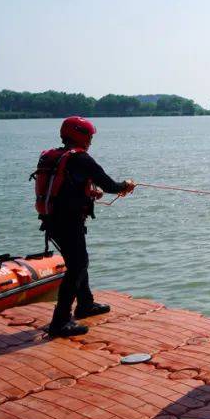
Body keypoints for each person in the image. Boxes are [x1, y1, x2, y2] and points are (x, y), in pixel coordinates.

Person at [32, 116, 134, 337]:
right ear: (80, 135)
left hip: (51, 220)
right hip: (67, 222)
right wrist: (125, 185)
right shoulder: (81, 159)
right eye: (89, 136)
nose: (90, 141)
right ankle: (60, 321)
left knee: (78, 261)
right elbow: (110, 185)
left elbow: (64, 187)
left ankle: (85, 304)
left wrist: (87, 193)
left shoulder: (55, 156)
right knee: (78, 265)